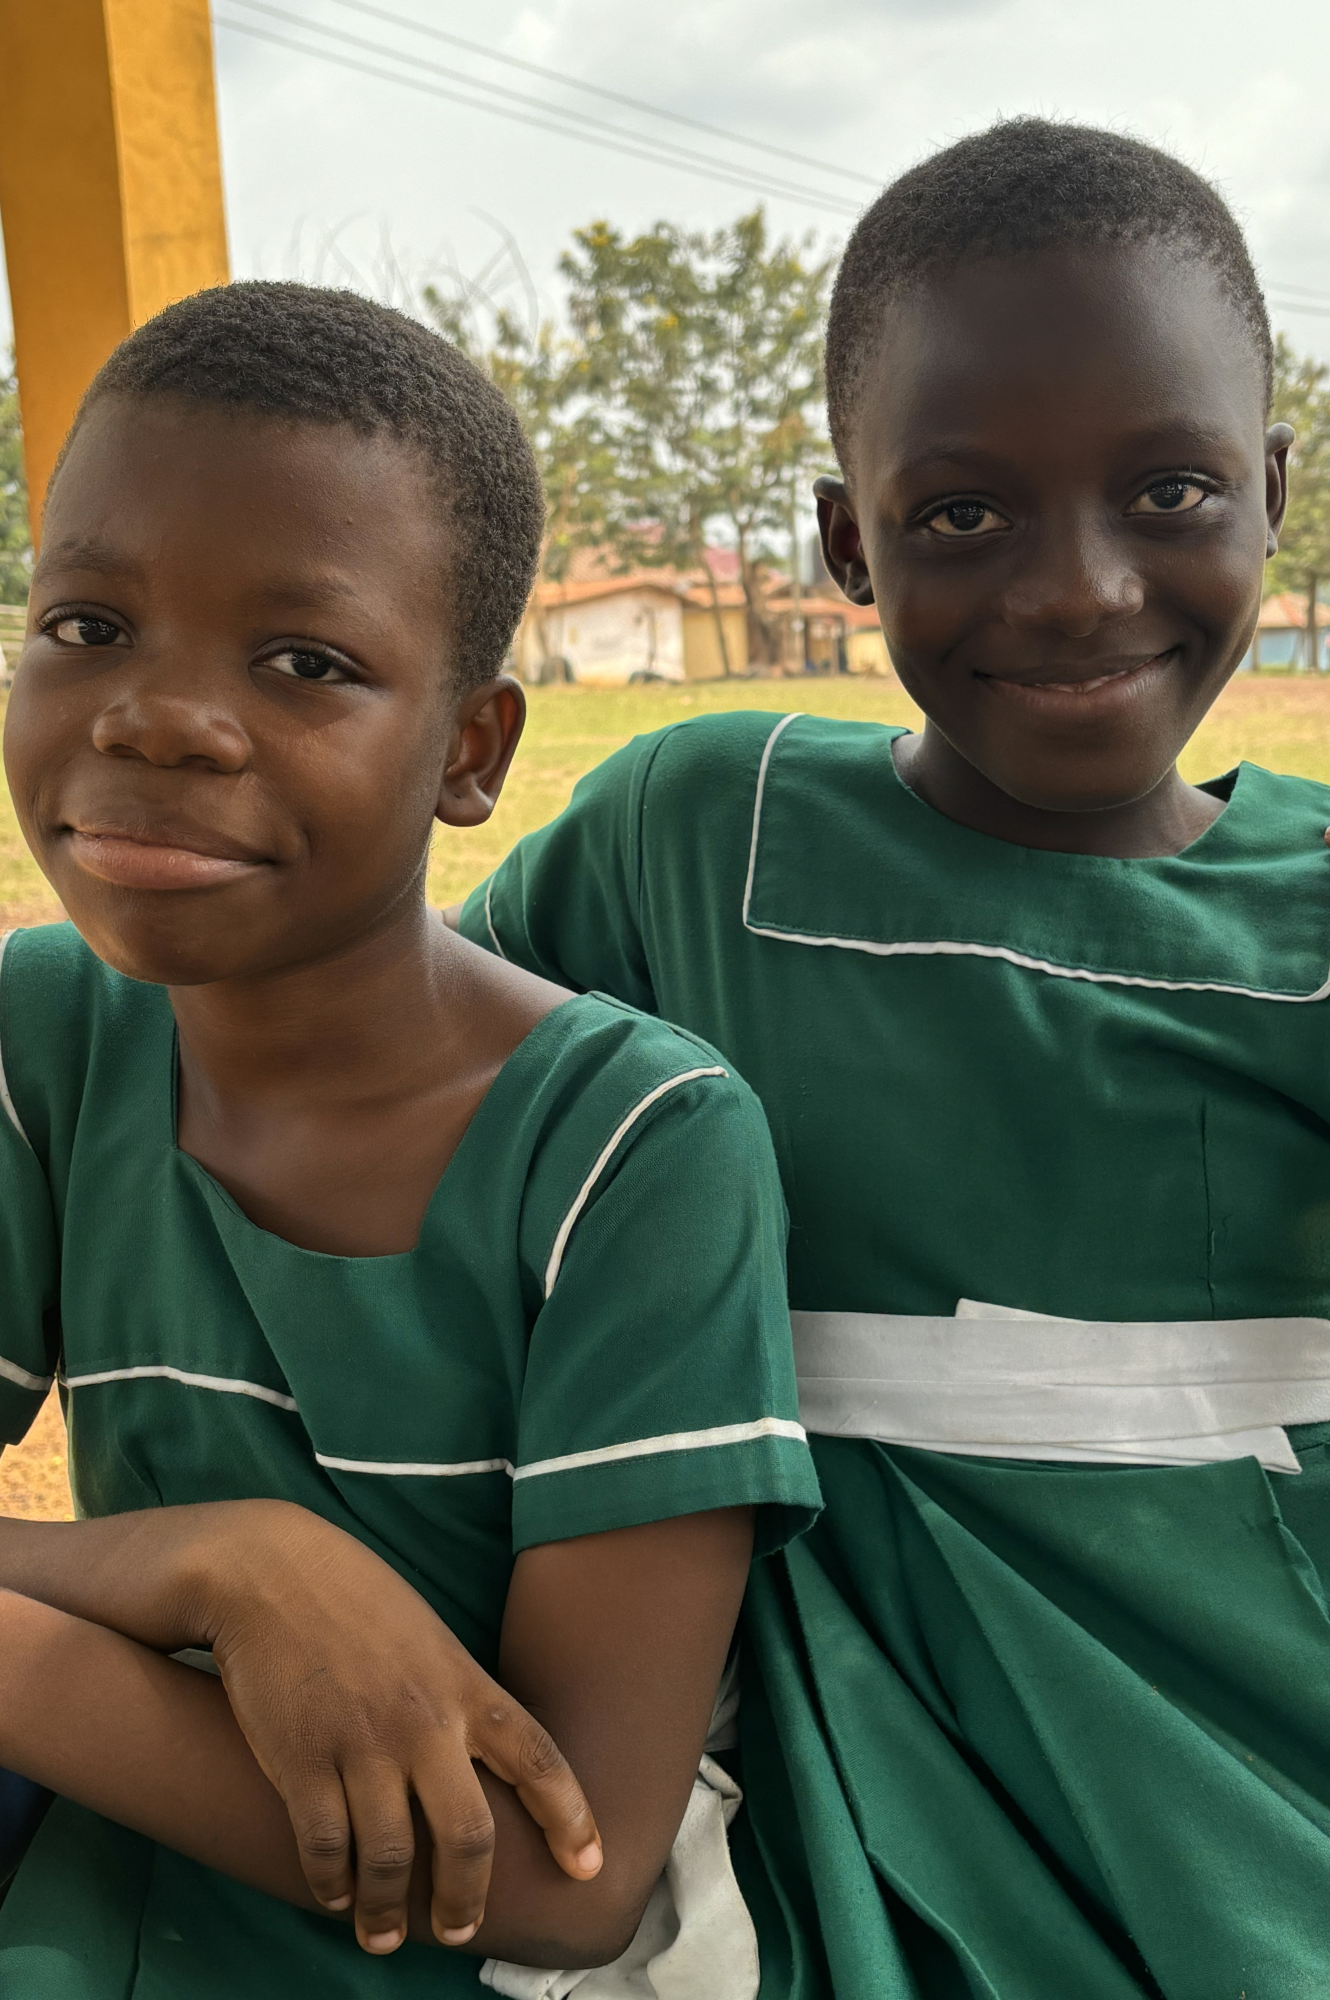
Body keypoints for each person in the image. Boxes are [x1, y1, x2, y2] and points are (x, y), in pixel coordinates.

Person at [0, 283, 821, 1999]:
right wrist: (222, 1562)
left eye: (306, 663)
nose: (156, 719)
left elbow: (567, 1871)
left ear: (469, 750)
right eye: (88, 625)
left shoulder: (633, 1147)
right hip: (104, 1929)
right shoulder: (52, 1038)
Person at [452, 119, 1330, 1995]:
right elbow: (382, 1086)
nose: (1079, 588)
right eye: (963, 516)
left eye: (1171, 490)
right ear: (848, 541)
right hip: (812, 1871)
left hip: (1255, 1848)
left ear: (1272, 493)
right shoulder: (703, 840)